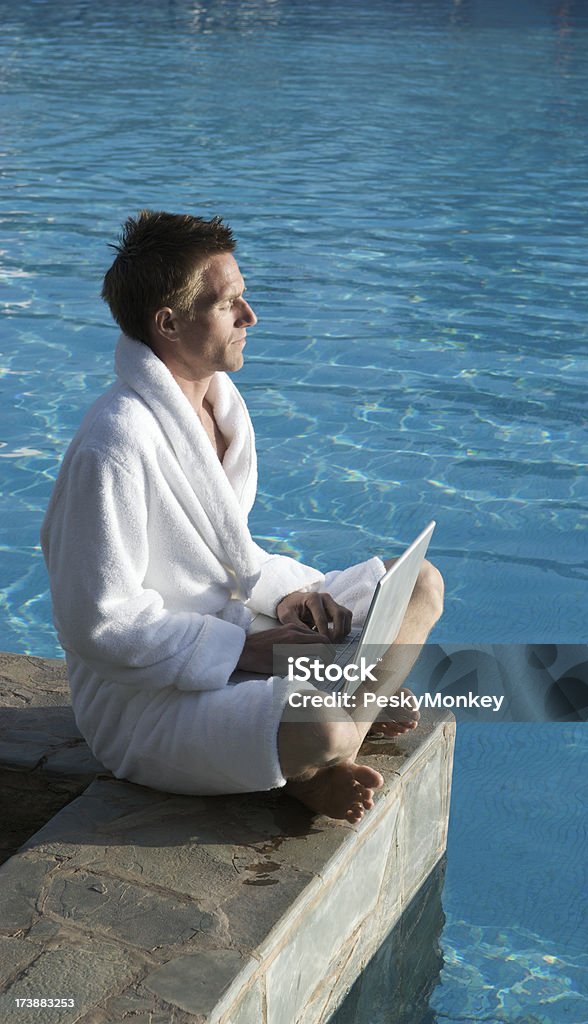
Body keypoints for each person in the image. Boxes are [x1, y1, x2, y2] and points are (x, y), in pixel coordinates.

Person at [41, 211, 444, 823]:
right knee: (330, 730)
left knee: (418, 584)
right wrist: (243, 653)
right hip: (150, 699)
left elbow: (233, 556)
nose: (249, 317)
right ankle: (325, 753)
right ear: (168, 322)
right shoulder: (114, 444)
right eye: (229, 304)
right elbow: (98, 625)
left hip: (239, 634)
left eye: (244, 298)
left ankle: (328, 734)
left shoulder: (223, 408)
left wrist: (292, 597)